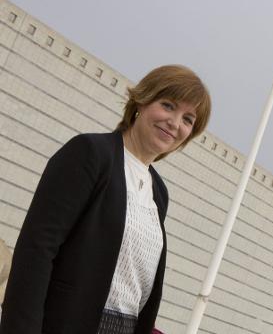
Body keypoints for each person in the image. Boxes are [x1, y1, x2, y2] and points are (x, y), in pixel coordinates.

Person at [0, 65, 211, 334]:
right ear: (142, 101)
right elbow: (37, 249)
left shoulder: (158, 191)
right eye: (168, 105)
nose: (175, 122)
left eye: (188, 119)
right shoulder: (89, 153)